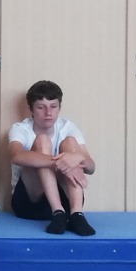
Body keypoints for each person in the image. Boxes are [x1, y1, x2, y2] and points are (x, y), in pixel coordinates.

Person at [8, 79, 96, 235]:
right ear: (31, 110)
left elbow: (91, 167)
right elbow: (16, 156)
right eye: (41, 107)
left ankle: (77, 214)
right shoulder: (20, 128)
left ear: (59, 108)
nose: (48, 113)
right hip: (29, 204)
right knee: (42, 141)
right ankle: (57, 212)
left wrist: (76, 158)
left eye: (53, 107)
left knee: (70, 143)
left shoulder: (67, 127)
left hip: (67, 203)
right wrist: (61, 163)